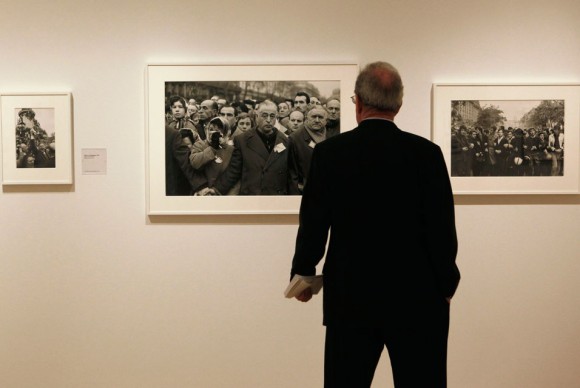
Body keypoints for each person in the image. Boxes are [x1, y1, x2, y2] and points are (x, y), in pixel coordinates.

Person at [288, 61, 460, 388]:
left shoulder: (330, 154)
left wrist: (304, 273)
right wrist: (447, 282)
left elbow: (313, 221)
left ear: (358, 102)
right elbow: (442, 228)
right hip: (418, 298)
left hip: (351, 297)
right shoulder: (427, 154)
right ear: (399, 104)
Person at [208, 99, 289, 195]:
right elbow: (234, 170)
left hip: (275, 196)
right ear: (257, 116)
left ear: (276, 118)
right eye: (264, 115)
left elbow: (289, 173)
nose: (268, 120)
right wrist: (216, 190)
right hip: (252, 195)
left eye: (272, 116)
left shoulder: (285, 140)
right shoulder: (242, 140)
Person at [287, 107, 329, 195]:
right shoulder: (295, 138)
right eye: (313, 117)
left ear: (326, 120)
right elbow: (292, 172)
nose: (317, 120)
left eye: (320, 117)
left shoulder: (331, 136)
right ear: (307, 118)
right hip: (305, 191)